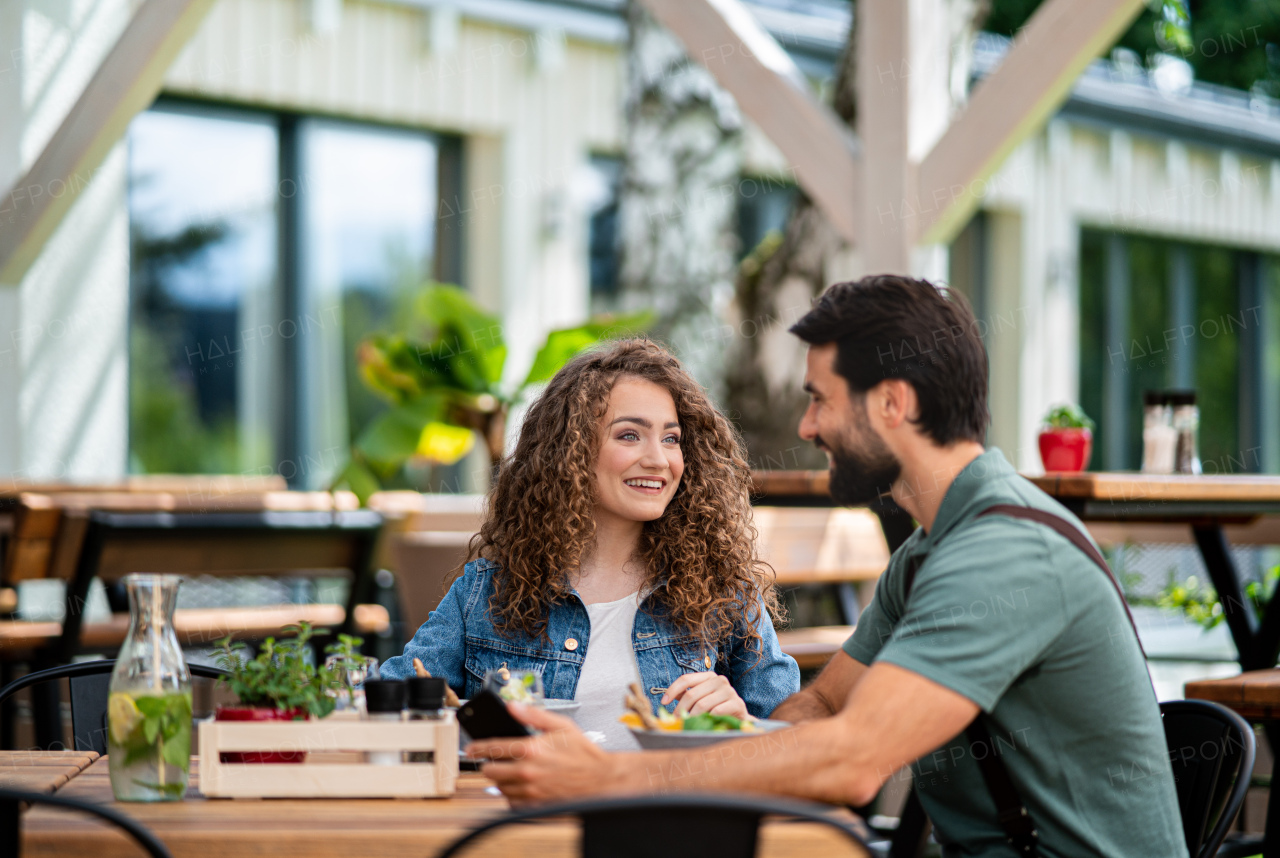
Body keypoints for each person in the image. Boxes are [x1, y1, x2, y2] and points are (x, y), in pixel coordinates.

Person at [469, 276, 1188, 858]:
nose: (808, 426)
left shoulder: (1004, 557)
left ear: (893, 404)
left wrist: (614, 777)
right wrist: (715, 723)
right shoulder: (931, 552)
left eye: (820, 400)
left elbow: (850, 762)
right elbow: (816, 712)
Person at [381, 339, 799, 748]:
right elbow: (387, 702)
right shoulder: (485, 594)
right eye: (630, 435)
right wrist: (472, 726)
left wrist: (743, 723)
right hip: (530, 816)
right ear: (571, 453)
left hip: (668, 812)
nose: (658, 459)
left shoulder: (724, 593)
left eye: (671, 439)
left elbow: (797, 738)